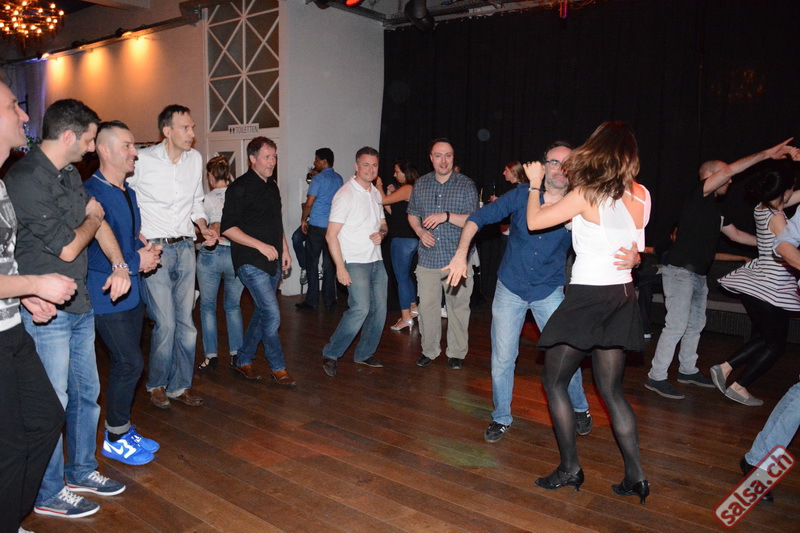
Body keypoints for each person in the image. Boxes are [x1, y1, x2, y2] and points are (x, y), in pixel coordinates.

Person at [444, 142, 623, 442]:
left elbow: (610, 234)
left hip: (548, 291)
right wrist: (461, 253)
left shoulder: (579, 203)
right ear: (542, 166)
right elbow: (477, 218)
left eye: (567, 163)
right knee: (502, 358)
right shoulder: (521, 195)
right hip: (510, 287)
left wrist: (631, 255)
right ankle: (501, 416)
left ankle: (580, 407)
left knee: (566, 355)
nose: (561, 169)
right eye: (554, 162)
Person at [5, 99, 131, 518]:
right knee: (51, 405)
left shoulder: (69, 174)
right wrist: (92, 217)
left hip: (79, 303)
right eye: (91, 140)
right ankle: (48, 491)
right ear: (69, 136)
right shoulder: (26, 179)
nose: (93, 148)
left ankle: (81, 471)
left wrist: (119, 265)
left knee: (86, 395)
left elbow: (98, 223)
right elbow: (69, 246)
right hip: (46, 311)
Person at [525, 122, 651, 504]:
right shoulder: (641, 194)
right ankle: (636, 477)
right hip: (623, 294)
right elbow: (635, 246)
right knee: (611, 390)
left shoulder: (585, 193)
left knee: (554, 382)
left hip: (589, 297)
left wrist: (533, 185)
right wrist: (637, 259)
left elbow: (534, 222)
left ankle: (570, 469)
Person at [645, 139, 794, 399]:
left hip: (698, 276)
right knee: (676, 325)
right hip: (679, 272)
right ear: (710, 176)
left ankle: (687, 370)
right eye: (725, 176)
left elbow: (736, 235)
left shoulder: (716, 210)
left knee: (695, 326)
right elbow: (730, 171)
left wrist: (772, 242)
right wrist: (765, 155)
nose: (731, 180)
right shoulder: (698, 194)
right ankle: (656, 376)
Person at [0, 81, 75, 532]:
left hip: (11, 327)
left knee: (47, 418)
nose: (25, 116)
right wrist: (35, 283)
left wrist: (22, 293)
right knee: (9, 445)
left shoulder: (0, 184)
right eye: (14, 106)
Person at [84, 121, 163, 466]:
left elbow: (125, 236)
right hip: (106, 293)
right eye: (127, 146)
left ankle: (123, 428)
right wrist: (135, 260)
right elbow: (89, 253)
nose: (135, 153)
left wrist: (143, 248)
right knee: (130, 362)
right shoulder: (90, 193)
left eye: (134, 146)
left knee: (127, 363)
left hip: (131, 291)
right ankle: (115, 437)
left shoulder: (127, 191)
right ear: (104, 150)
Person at [130, 104, 215, 409]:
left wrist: (203, 226)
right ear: (167, 131)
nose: (192, 133)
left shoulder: (195, 159)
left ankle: (181, 385)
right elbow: (125, 197)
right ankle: (157, 383)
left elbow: (196, 201)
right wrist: (136, 237)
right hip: (156, 250)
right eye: (185, 128)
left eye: (192, 128)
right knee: (165, 324)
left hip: (186, 247)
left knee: (186, 324)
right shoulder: (143, 161)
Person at [711, 159, 800, 406]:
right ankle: (739, 386)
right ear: (786, 191)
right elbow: (787, 249)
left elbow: (786, 199)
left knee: (766, 337)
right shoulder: (778, 217)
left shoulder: (762, 208)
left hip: (756, 282)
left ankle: (724, 367)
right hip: (772, 286)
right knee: (776, 345)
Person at [221, 137, 295, 386]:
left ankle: (243, 360)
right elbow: (228, 228)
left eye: (274, 157)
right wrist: (260, 245)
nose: (272, 162)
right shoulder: (239, 188)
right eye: (266, 157)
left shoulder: (272, 186)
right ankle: (278, 367)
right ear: (252, 159)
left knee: (263, 312)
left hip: (272, 261)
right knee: (272, 313)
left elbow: (276, 222)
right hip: (250, 261)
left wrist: (285, 249)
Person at [407, 139, 479, 369]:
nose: (443, 160)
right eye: (438, 155)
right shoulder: (421, 184)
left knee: (457, 308)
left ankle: (456, 353)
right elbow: (412, 213)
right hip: (428, 258)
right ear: (431, 158)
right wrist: (419, 231)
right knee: (427, 308)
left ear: (453, 157)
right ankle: (429, 350)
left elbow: (474, 220)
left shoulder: (466, 185)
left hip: (456, 259)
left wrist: (446, 216)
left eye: (448, 155)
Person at [321, 146, 388, 377]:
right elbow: (331, 235)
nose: (371, 169)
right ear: (356, 166)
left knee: (379, 311)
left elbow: (383, 224)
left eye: (375, 165)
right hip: (355, 261)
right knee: (360, 308)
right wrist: (340, 267)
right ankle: (331, 353)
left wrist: (382, 234)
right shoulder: (345, 194)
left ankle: (364, 353)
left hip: (376, 260)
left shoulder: (375, 193)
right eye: (366, 165)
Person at [196, 155, 245, 371]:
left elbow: (198, 228)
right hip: (235, 254)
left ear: (210, 176)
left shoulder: (205, 199)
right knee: (233, 306)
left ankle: (211, 356)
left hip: (211, 254)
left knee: (207, 306)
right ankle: (236, 354)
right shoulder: (239, 196)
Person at [296, 147, 343, 310]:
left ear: (324, 161)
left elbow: (309, 203)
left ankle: (312, 300)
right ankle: (329, 299)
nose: (314, 163)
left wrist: (303, 219)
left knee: (312, 263)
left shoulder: (318, 179)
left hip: (316, 226)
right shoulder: (339, 179)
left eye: (316, 160)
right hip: (332, 227)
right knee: (329, 264)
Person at [375, 158, 419, 331]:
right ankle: (413, 308)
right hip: (408, 238)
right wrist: (387, 192)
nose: (394, 175)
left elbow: (382, 201)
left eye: (397, 172)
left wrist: (379, 186)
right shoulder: (409, 189)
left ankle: (406, 317)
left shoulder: (408, 188)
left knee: (401, 279)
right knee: (406, 277)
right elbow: (393, 210)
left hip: (403, 239)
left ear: (406, 173)